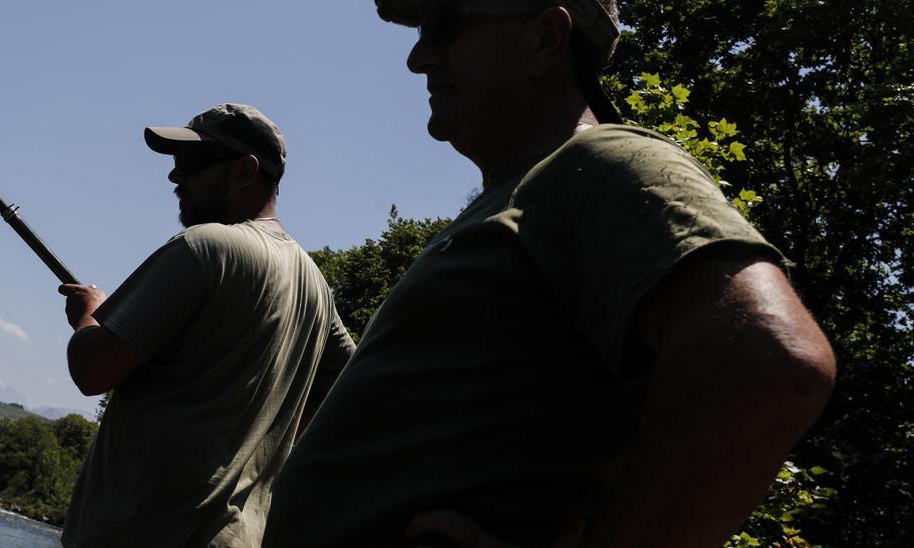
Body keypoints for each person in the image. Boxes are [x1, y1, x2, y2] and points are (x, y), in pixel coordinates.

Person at [263, 1, 836, 547]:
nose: (419, 58)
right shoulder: (526, 193)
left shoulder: (604, 161)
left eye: (446, 22)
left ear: (546, 38)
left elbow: (769, 360)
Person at [57, 103, 356, 548]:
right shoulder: (316, 288)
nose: (175, 177)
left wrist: (88, 314)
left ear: (245, 170)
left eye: (193, 163)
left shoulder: (206, 247)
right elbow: (344, 396)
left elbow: (92, 370)